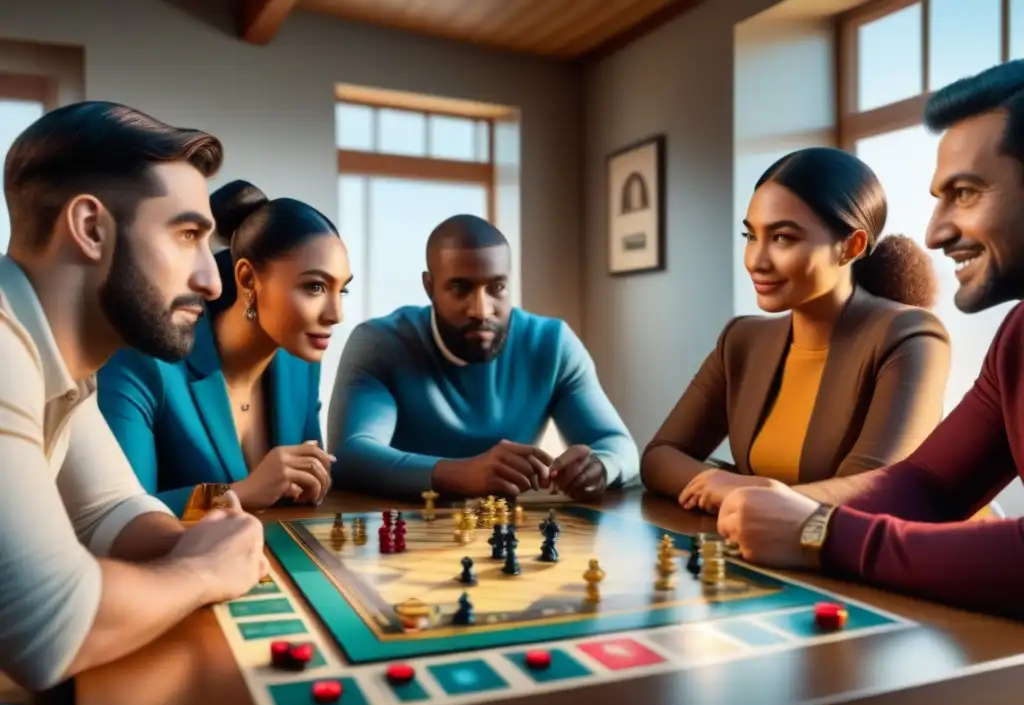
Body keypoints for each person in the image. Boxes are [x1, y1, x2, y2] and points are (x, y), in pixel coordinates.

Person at [0, 102, 266, 705]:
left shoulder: (57, 358)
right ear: (91, 228)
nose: (210, 278)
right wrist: (204, 568)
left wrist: (199, 540)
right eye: (186, 236)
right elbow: (51, 629)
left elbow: (111, 511)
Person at [716, 59, 1024, 620]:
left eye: (965, 193)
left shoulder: (909, 335)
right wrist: (783, 507)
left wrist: (820, 533)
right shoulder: (1018, 337)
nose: (935, 231)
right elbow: (929, 482)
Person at [641, 147, 950, 513]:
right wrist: (743, 489)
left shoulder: (911, 338)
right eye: (751, 236)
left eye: (783, 237)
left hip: (850, 563)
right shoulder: (742, 340)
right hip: (752, 551)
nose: (756, 260)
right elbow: (659, 458)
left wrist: (739, 491)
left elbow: (876, 493)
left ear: (851, 246)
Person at [327, 214, 639, 501]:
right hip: (396, 534)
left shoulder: (552, 344)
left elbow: (620, 447)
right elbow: (351, 456)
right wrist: (461, 474)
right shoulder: (381, 343)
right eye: (460, 288)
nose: (481, 310)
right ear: (429, 286)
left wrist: (601, 466)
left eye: (497, 287)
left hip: (507, 539)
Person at [97, 180, 350, 515]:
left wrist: (311, 480)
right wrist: (240, 493)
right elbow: (116, 513)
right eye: (315, 287)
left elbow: (303, 483)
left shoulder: (300, 362)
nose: (336, 314)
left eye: (342, 290)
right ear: (247, 279)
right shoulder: (143, 359)